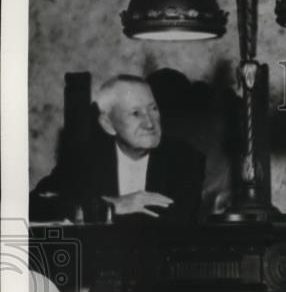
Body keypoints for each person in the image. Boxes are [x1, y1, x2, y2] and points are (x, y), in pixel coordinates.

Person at [30, 75, 205, 222]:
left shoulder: (186, 160)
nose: (150, 123)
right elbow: (33, 206)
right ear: (108, 124)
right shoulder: (84, 160)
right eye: (136, 113)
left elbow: (170, 225)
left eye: (153, 109)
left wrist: (91, 208)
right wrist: (113, 205)